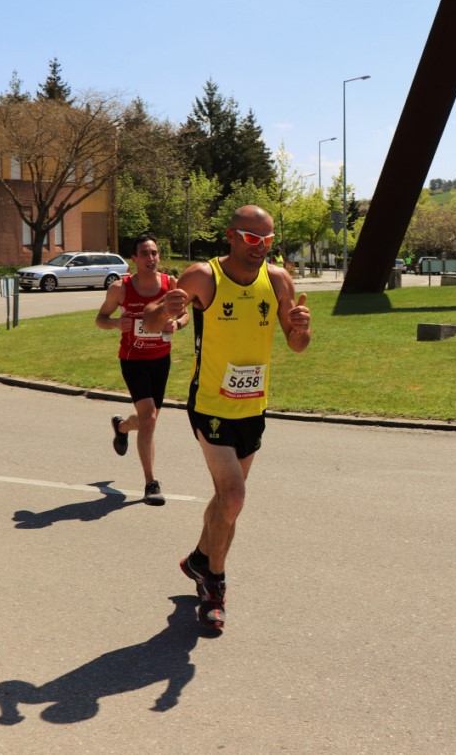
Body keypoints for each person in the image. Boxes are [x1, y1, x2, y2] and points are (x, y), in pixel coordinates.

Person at [146, 205, 312, 630]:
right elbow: (152, 321)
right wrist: (166, 309)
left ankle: (201, 559)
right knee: (234, 497)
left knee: (226, 502)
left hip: (253, 407)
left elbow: (296, 345)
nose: (261, 249)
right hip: (210, 405)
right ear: (232, 236)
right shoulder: (203, 276)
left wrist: (300, 327)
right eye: (252, 239)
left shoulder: (278, 280)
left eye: (269, 241)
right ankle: (214, 586)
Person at [95, 233, 187, 506]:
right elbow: (100, 318)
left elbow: (184, 314)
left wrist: (177, 325)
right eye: (145, 254)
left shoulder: (171, 284)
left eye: (154, 253)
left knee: (149, 418)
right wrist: (115, 324)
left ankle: (122, 426)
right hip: (133, 359)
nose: (151, 258)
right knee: (149, 417)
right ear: (133, 259)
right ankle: (150, 483)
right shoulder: (120, 288)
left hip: (161, 359)